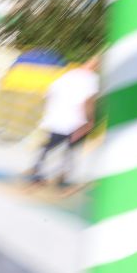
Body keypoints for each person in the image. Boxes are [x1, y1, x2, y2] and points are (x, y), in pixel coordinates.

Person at [29, 56, 100, 186]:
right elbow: (88, 102)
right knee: (70, 149)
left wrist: (51, 111)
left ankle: (37, 173)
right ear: (96, 66)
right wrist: (90, 120)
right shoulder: (92, 79)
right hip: (76, 121)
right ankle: (61, 178)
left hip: (57, 118)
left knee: (50, 145)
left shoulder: (67, 75)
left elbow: (49, 93)